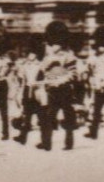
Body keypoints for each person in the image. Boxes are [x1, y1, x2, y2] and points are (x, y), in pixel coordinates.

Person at [35, 21, 81, 151]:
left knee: (68, 116)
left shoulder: (68, 56)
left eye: (56, 43)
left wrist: (61, 80)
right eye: (52, 43)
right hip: (51, 90)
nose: (53, 46)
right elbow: (42, 72)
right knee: (47, 117)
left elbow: (73, 74)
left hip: (65, 90)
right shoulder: (47, 57)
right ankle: (46, 142)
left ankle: (69, 142)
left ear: (61, 43)